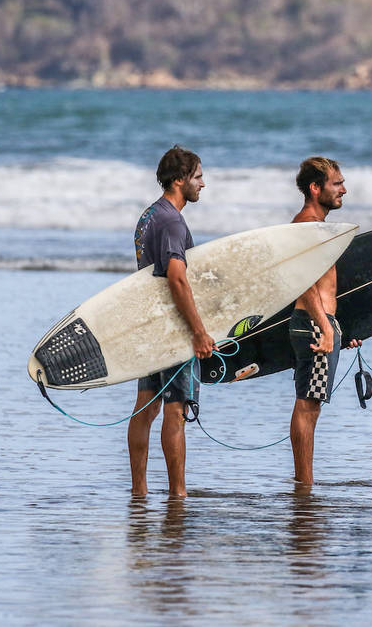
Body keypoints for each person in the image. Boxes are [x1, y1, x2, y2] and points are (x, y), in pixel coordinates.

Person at [128, 146, 216, 498]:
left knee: (145, 407)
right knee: (175, 410)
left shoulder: (149, 215)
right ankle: (178, 493)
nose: (202, 184)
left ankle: (140, 490)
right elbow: (177, 278)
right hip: (172, 328)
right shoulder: (172, 222)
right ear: (179, 180)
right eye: (197, 177)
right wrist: (198, 331)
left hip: (149, 324)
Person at [289, 157, 361, 486]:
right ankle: (304, 485)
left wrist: (340, 328)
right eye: (336, 183)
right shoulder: (307, 225)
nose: (343, 189)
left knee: (312, 403)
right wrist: (326, 326)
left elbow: (324, 285)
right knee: (308, 404)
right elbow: (302, 282)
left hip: (321, 323)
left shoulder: (318, 225)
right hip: (313, 324)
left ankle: (305, 482)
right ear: (315, 188)